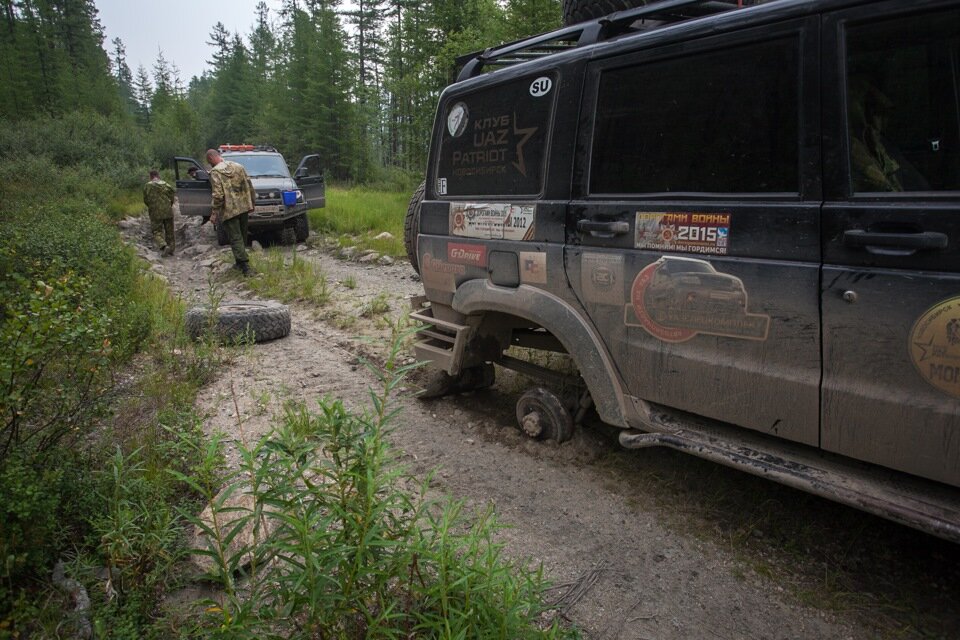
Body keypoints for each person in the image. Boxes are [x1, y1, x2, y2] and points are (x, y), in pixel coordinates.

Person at [206, 148, 256, 276]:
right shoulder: (238, 166)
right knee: (242, 235)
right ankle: (239, 263)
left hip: (229, 210)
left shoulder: (215, 172)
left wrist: (214, 213)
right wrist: (252, 203)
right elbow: (249, 185)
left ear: (212, 158)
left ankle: (245, 267)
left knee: (235, 237)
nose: (210, 164)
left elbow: (218, 195)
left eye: (209, 161)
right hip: (243, 206)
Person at [143, 169, 176, 256]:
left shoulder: (147, 186)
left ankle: (164, 246)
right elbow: (172, 197)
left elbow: (146, 200)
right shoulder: (166, 184)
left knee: (157, 231)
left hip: (155, 212)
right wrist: (170, 204)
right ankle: (171, 249)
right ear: (158, 176)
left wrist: (151, 206)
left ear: (151, 176)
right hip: (167, 210)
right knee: (170, 231)